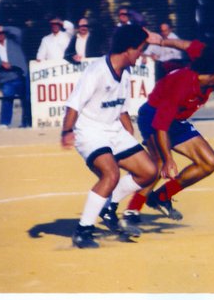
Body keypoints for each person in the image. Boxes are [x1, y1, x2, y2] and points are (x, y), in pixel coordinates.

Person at [98, 34, 214, 227]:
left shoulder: (208, 60)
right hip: (153, 116)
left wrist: (162, 42)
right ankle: (130, 211)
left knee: (209, 162)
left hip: (177, 120)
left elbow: (187, 44)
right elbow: (160, 125)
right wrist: (168, 160)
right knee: (155, 166)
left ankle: (161, 197)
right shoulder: (182, 85)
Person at [61, 25, 158, 249]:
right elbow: (74, 104)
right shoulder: (97, 71)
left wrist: (129, 132)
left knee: (149, 172)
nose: (141, 54)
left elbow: (122, 108)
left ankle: (108, 207)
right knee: (111, 174)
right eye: (140, 49)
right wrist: (67, 132)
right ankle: (83, 230)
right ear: (129, 49)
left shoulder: (125, 72)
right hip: (90, 132)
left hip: (113, 129)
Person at [0, 25, 31, 129]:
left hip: (21, 76)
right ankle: (4, 123)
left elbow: (17, 30)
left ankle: (27, 123)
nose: (0, 35)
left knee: (27, 100)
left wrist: (3, 28)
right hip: (7, 79)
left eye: (1, 33)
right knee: (7, 99)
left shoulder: (14, 42)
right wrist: (0, 63)